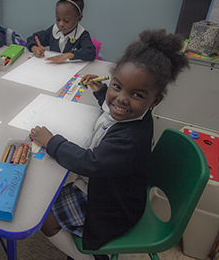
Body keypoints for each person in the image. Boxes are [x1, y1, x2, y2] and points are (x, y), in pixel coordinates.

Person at [29, 29, 189, 260]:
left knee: (43, 216)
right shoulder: (133, 114)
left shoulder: (129, 139)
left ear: (155, 100)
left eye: (136, 94)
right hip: (112, 188)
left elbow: (89, 163)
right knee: (45, 193)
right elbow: (115, 106)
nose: (121, 98)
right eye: (117, 86)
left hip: (112, 207)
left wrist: (51, 141)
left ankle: (87, 257)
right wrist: (101, 92)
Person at [26, 0, 96, 63]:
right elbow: (33, 38)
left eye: (66, 20)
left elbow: (90, 53)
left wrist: (68, 55)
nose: (61, 24)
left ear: (79, 18)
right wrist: (34, 47)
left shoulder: (82, 35)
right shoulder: (53, 30)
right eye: (58, 19)